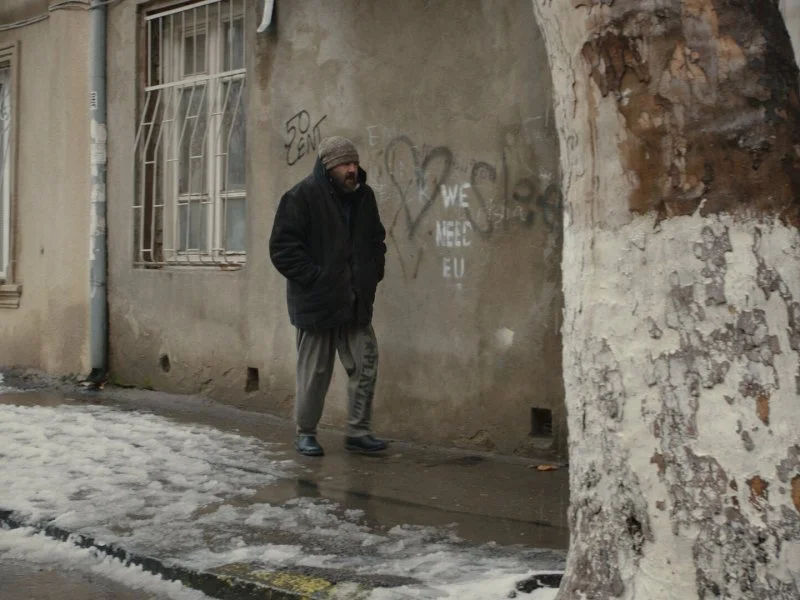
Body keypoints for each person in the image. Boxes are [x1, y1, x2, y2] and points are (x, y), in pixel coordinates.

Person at [269, 136, 389, 457]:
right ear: (328, 166)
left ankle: (359, 432)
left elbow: (377, 240)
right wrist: (316, 278)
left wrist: (372, 273)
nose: (352, 169)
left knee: (366, 364)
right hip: (318, 304)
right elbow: (282, 249)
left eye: (355, 163)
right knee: (315, 374)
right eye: (345, 164)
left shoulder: (364, 197)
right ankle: (306, 433)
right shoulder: (301, 197)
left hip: (355, 300)